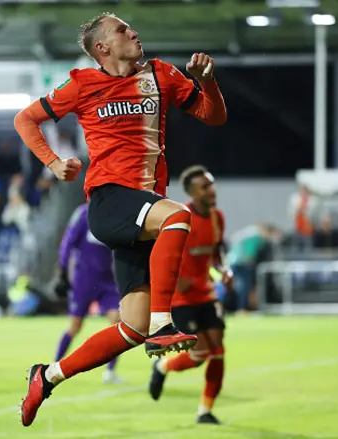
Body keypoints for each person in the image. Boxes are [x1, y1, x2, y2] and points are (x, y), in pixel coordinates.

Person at [14, 12, 227, 426]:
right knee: (179, 217)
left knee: (132, 328)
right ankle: (166, 323)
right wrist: (53, 163)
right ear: (103, 48)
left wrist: (210, 82)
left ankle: (48, 376)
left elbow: (213, 116)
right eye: (122, 30)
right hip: (111, 200)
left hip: (144, 208)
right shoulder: (81, 83)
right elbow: (26, 120)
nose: (134, 32)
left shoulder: (161, 74)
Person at [147, 165, 231, 425]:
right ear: (193, 193)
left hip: (206, 295)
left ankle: (205, 411)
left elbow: (216, 254)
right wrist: (174, 278)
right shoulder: (180, 216)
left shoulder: (217, 218)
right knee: (199, 355)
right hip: (180, 299)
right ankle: (162, 367)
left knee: (217, 350)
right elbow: (162, 250)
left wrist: (223, 270)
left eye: (211, 183)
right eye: (205, 186)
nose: (212, 189)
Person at [54, 203, 122, 384]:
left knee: (117, 322)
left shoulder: (114, 216)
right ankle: (54, 366)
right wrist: (62, 271)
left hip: (107, 280)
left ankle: (110, 372)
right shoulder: (83, 214)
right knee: (75, 326)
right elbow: (68, 241)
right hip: (83, 279)